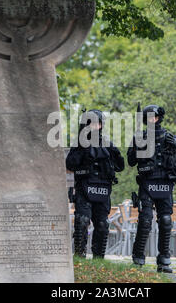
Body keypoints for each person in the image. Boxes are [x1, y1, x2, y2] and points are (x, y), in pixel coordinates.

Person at [127, 104, 176, 273]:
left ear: (159, 118)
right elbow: (131, 161)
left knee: (166, 221)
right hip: (147, 184)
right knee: (145, 220)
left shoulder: (169, 136)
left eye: (154, 117)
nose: (151, 120)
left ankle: (164, 261)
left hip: (165, 183)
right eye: (148, 118)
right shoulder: (140, 136)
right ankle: (138, 259)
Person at [66, 109, 125, 259]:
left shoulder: (107, 144)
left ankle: (99, 259)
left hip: (103, 190)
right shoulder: (80, 143)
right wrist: (82, 147)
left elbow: (120, 166)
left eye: (97, 123)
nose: (94, 126)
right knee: (82, 220)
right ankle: (80, 256)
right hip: (84, 188)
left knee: (103, 224)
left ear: (101, 125)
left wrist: (113, 153)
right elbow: (70, 165)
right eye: (91, 123)